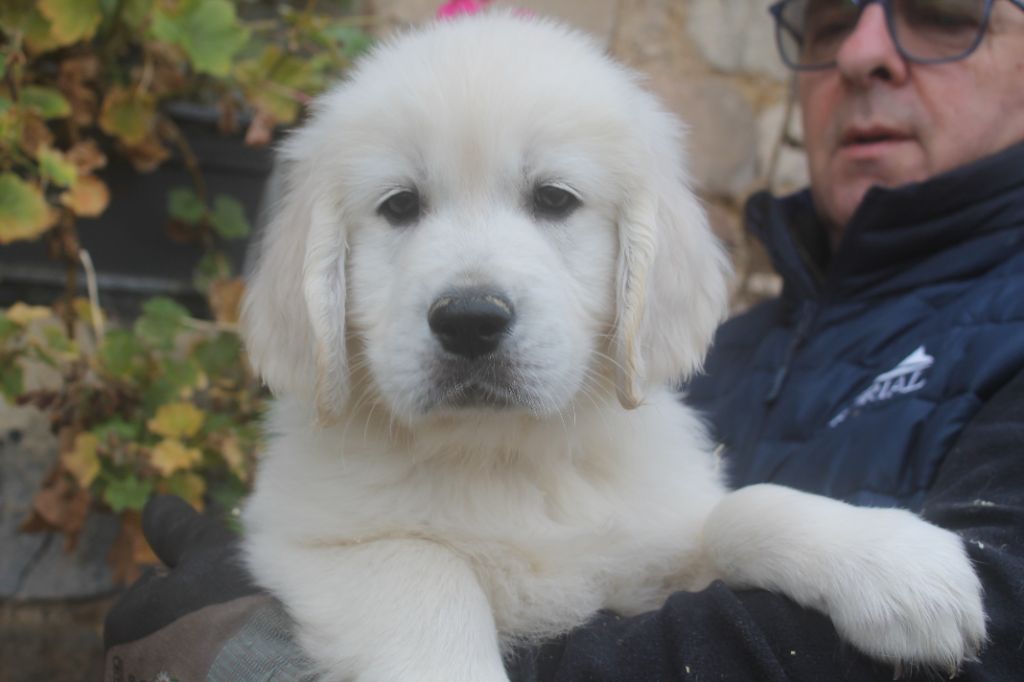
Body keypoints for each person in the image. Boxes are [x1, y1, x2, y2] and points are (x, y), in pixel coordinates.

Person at [103, 1, 1024, 679]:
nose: (470, 296)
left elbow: (698, 557)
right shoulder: (760, 343)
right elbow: (325, 545)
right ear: (326, 273)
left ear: (640, 255)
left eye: (553, 198)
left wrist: (781, 532)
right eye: (400, 204)